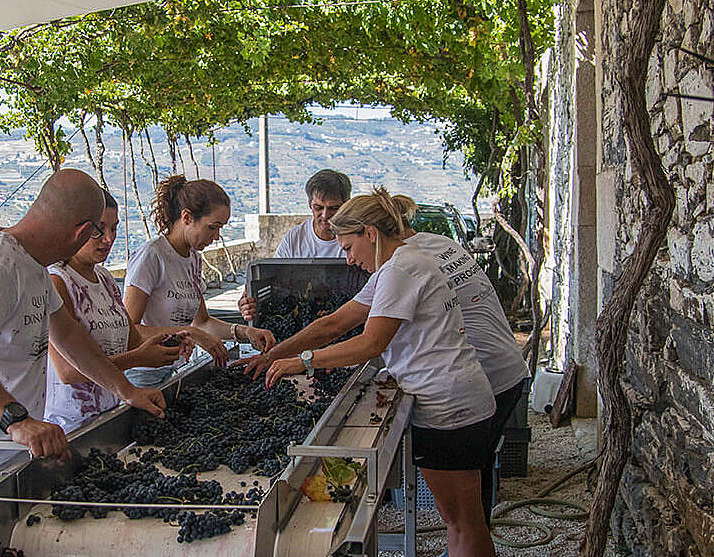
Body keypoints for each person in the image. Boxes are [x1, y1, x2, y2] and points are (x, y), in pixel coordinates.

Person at [239, 220, 529, 527]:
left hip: (455, 397)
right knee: (467, 513)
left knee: (463, 519)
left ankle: (466, 539)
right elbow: (334, 324)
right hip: (476, 382)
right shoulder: (416, 254)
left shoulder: (399, 269)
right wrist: (274, 355)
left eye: (349, 247)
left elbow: (369, 342)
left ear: (371, 232)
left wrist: (304, 360)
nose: (349, 260)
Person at [0, 169, 166, 499]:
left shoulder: (32, 263)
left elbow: (70, 337)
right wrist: (17, 421)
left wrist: (126, 390)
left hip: (11, 451)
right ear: (81, 231)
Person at [46, 189, 216, 432]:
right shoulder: (57, 282)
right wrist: (139, 358)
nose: (108, 239)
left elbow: (132, 339)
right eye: (98, 230)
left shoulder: (105, 279)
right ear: (74, 228)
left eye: (114, 229)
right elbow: (69, 372)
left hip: (111, 412)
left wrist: (171, 342)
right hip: (71, 423)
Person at [123, 175, 275, 385]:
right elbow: (129, 330)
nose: (216, 236)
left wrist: (246, 331)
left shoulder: (193, 259)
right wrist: (191, 333)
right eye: (212, 227)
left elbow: (203, 323)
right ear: (186, 217)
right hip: (143, 374)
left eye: (220, 228)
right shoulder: (152, 256)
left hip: (176, 368)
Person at [238, 169, 352, 321]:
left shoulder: (357, 238)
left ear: (346, 205)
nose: (325, 216)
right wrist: (248, 302)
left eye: (333, 208)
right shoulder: (294, 239)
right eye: (318, 208)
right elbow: (274, 281)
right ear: (310, 205)